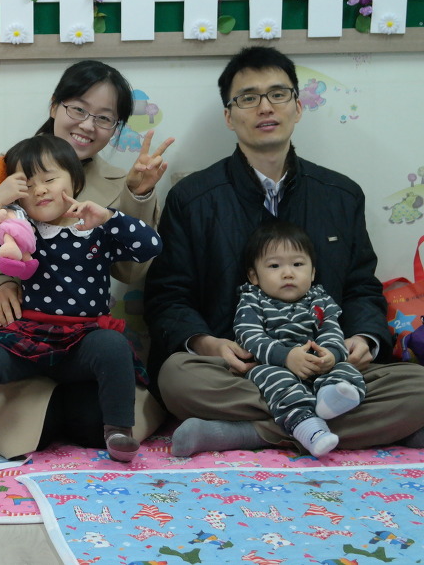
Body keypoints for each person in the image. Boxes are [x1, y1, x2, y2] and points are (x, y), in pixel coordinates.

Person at [145, 45, 424, 457]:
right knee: (176, 376)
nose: (265, 107)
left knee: (419, 384)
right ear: (229, 116)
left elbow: (361, 287)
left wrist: (364, 339)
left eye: (278, 94)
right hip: (242, 368)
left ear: (297, 107)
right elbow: (168, 296)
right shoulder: (193, 197)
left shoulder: (341, 194)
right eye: (248, 98)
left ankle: (249, 433)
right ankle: (360, 425)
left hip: (329, 368)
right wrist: (208, 345)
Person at [0, 60, 173, 460]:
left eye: (104, 118)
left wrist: (137, 196)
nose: (87, 125)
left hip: (85, 339)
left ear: (116, 128)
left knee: (92, 420)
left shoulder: (123, 181)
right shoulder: (6, 168)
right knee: (32, 421)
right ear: (55, 106)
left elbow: (131, 269)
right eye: (78, 109)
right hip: (18, 332)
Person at [0, 135, 162, 478]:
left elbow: (150, 247)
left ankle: (118, 432)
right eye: (28, 185)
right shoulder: (20, 231)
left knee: (113, 345)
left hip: (86, 338)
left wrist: (111, 217)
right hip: (31, 336)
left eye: (50, 179)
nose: (40, 190)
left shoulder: (96, 229)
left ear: (75, 182)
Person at [234, 220, 366, 458]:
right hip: (274, 366)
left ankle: (330, 401)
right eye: (274, 266)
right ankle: (309, 428)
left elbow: (331, 330)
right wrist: (286, 357)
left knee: (347, 369)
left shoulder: (320, 299)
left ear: (312, 272)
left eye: (297, 264)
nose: (288, 273)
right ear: (254, 275)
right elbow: (250, 336)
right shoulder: (252, 300)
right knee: (275, 380)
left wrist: (331, 355)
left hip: (317, 365)